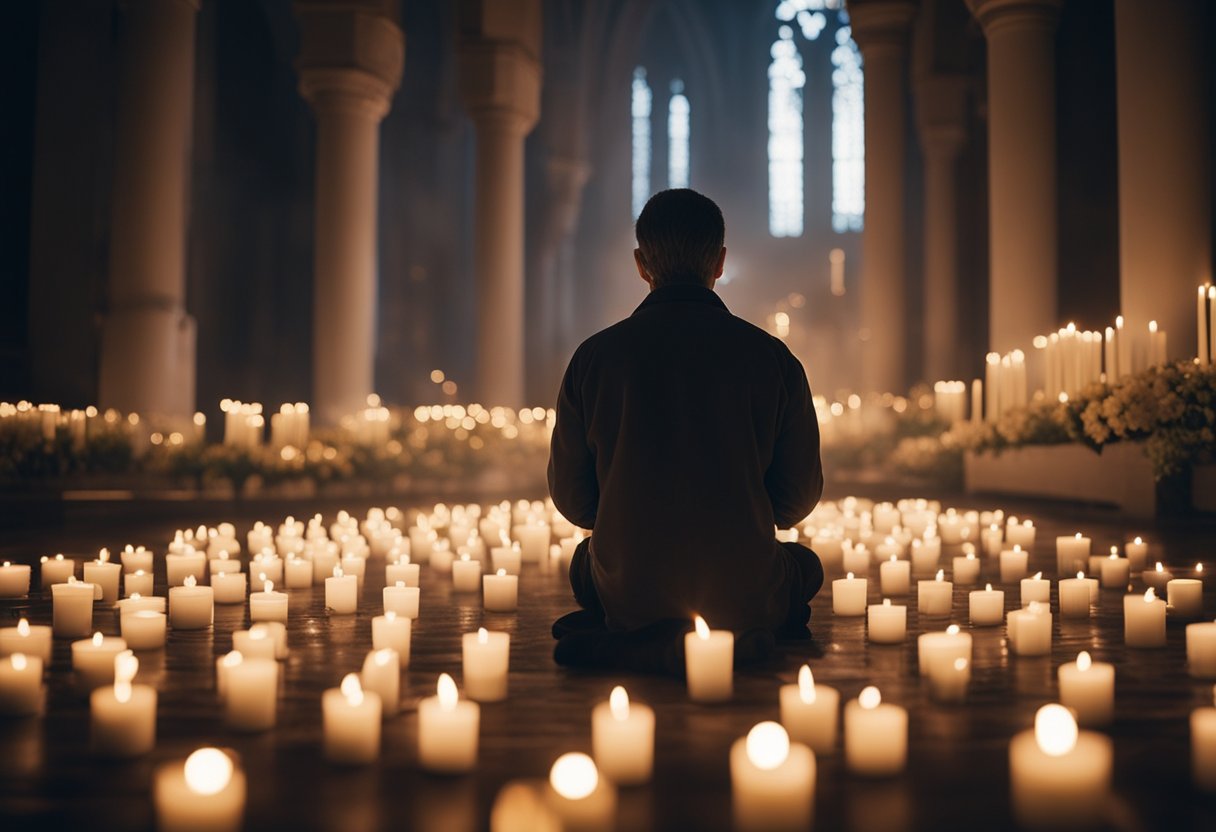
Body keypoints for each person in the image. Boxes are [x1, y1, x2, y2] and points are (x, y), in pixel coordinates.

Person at [548, 188, 824, 674]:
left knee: (584, 563)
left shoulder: (594, 358)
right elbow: (795, 501)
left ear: (640, 264)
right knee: (806, 567)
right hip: (745, 593)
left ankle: (646, 632)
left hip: (630, 594)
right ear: (719, 261)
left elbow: (575, 502)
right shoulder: (773, 358)